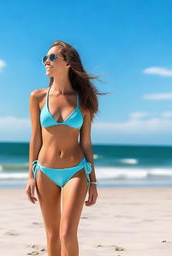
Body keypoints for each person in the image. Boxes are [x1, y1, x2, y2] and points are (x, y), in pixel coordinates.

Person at [25, 40, 105, 256]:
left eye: (52, 58)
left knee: (67, 233)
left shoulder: (85, 100)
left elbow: (86, 142)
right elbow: (35, 138)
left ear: (68, 63)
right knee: (52, 235)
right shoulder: (37, 97)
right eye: (44, 58)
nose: (46, 62)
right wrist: (30, 176)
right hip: (44, 171)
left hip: (76, 172)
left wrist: (94, 181)